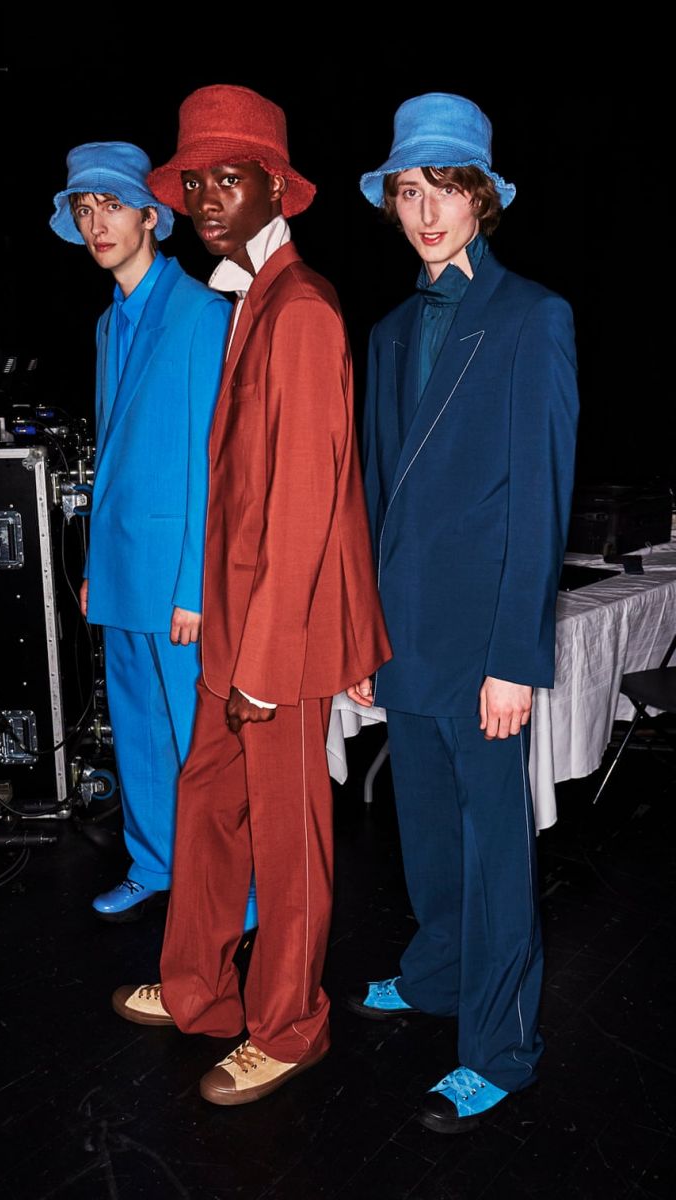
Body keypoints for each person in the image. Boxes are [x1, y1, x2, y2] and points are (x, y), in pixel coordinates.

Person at [110, 85, 392, 1105]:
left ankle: (288, 1025)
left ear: (276, 186)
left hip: (280, 639)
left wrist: (267, 666)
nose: (204, 200)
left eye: (227, 179)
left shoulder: (301, 309)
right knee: (206, 808)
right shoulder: (248, 302)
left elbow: (309, 505)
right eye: (193, 182)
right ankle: (199, 989)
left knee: (288, 836)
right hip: (231, 628)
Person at [347, 93, 579, 1132]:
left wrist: (513, 658)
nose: (427, 212)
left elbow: (539, 501)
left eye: (445, 188)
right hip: (402, 637)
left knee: (495, 855)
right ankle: (437, 975)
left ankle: (500, 1047)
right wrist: (362, 635)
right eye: (409, 191)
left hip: (484, 645)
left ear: (480, 199)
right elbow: (372, 497)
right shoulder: (390, 332)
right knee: (427, 836)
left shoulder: (532, 317)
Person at [50, 141, 240, 923]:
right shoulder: (107, 323)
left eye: (112, 207)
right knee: (136, 731)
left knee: (202, 743)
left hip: (176, 579)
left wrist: (195, 584)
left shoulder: (201, 312)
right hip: (124, 569)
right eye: (84, 210)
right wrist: (96, 564)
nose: (97, 223)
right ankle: (154, 862)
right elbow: (112, 456)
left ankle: (234, 891)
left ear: (152, 216)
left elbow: (212, 462)